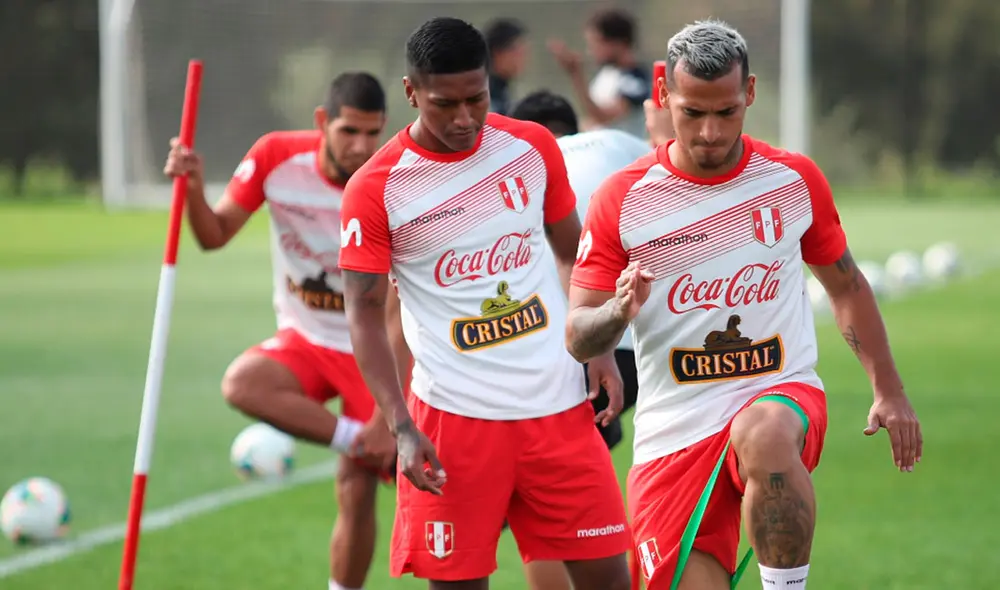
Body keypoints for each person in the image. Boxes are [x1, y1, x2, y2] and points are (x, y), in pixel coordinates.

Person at [565, 19, 923, 590]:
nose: (709, 132)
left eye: (726, 112)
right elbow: (579, 334)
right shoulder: (623, 199)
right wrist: (617, 312)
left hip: (780, 391)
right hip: (674, 433)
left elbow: (847, 286)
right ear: (663, 98)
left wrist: (890, 390)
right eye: (692, 113)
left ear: (749, 94)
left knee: (765, 433)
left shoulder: (791, 180)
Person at [338, 16, 632, 590]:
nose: (465, 117)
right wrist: (399, 424)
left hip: (559, 412)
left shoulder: (530, 146)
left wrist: (595, 347)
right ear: (410, 92)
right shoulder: (376, 188)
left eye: (477, 98)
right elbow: (364, 313)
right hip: (453, 425)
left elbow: (575, 254)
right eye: (445, 104)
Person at [162, 72, 402, 590]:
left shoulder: (392, 180)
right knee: (242, 383)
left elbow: (399, 306)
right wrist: (195, 189)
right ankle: (354, 442)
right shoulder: (275, 158)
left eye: (372, 133)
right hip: (306, 339)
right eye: (348, 131)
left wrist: (391, 412)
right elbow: (214, 234)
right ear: (321, 122)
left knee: (356, 491)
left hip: (374, 348)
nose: (361, 146)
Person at [508, 90, 653, 590]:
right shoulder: (621, 143)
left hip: (583, 346)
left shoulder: (525, 166)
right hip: (659, 338)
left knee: (542, 496)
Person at [548, 7, 650, 137]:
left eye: (596, 43)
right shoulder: (607, 74)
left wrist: (576, 75)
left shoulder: (636, 80)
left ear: (618, 43)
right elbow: (594, 122)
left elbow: (602, 117)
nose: (591, 51)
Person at [484, 18, 529, 116]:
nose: (523, 58)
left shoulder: (503, 90)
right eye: (518, 52)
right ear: (498, 53)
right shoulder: (484, 92)